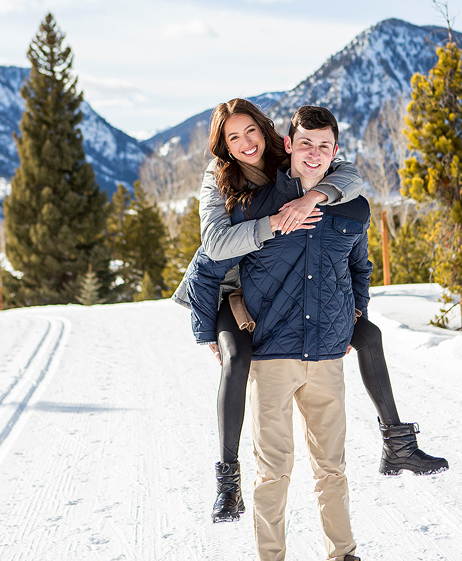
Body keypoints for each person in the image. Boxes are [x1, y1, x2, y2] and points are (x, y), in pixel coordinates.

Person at [173, 99, 447, 526]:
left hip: (288, 286)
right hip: (233, 288)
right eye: (233, 136)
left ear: (269, 134)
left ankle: (397, 442)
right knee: (237, 358)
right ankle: (228, 480)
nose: (246, 142)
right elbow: (213, 254)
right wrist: (206, 329)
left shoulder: (293, 157)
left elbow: (350, 176)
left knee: (369, 334)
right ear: (223, 145)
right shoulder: (221, 180)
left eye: (251, 132)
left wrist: (314, 197)